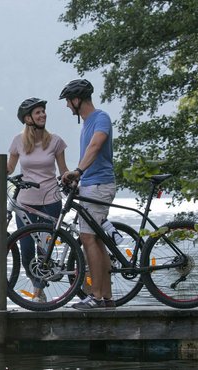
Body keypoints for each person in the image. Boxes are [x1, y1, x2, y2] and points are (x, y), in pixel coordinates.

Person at [59, 79, 118, 310]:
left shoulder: (100, 118)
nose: (66, 106)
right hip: (91, 184)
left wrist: (78, 172)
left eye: (67, 101)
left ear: (77, 100)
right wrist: (78, 179)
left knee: (88, 239)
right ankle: (106, 297)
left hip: (99, 185)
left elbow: (95, 147)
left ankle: (94, 296)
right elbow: (89, 156)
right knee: (97, 240)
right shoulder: (86, 123)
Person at [7, 97, 69, 301]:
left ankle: (38, 293)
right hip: (25, 203)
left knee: (44, 249)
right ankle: (37, 284)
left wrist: (71, 180)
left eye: (43, 111)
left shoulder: (56, 141)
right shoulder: (18, 141)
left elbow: (63, 170)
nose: (43, 115)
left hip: (50, 200)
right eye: (38, 112)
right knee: (26, 250)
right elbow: (10, 168)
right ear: (28, 118)